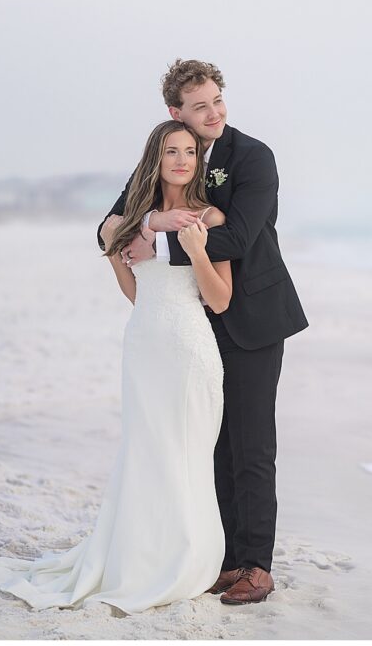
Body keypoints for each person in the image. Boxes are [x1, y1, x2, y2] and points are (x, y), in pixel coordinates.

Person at [0, 120, 231, 614]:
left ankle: (190, 556)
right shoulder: (135, 218)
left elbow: (220, 299)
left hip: (191, 349)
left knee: (188, 450)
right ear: (155, 157)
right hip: (145, 344)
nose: (181, 160)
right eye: (171, 151)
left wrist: (194, 251)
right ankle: (141, 554)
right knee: (145, 451)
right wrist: (117, 255)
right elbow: (137, 293)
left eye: (191, 152)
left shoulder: (208, 216)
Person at [98, 59, 308, 605]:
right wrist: (138, 227)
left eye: (217, 100)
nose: (213, 113)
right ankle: (225, 559)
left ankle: (256, 565)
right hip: (193, 321)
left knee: (253, 443)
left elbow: (237, 235)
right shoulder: (174, 154)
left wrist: (156, 244)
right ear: (176, 114)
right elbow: (114, 220)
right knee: (210, 441)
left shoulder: (253, 157)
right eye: (199, 107)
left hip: (255, 317)